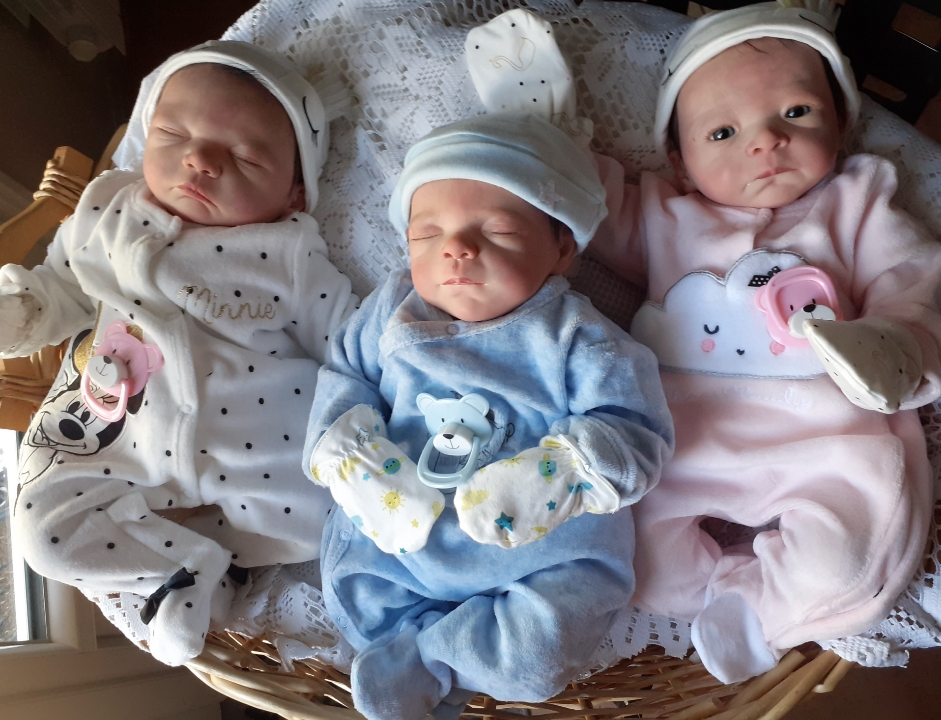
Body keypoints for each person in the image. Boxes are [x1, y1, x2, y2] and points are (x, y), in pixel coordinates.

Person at [578, 1, 941, 683]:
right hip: (681, 443)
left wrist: (895, 343)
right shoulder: (662, 215)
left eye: (796, 113)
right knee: (632, 553)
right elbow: (577, 199)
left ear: (841, 125)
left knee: (849, 555)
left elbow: (911, 277)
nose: (767, 140)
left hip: (824, 439)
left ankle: (760, 613)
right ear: (679, 162)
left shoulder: (856, 203)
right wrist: (541, 120)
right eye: (722, 131)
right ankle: (706, 598)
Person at [303, 112, 674, 720]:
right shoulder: (391, 311)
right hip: (402, 534)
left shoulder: (574, 335)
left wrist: (557, 474)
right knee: (356, 587)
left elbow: (637, 430)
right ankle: (407, 653)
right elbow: (343, 379)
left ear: (562, 248)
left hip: (543, 554)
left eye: (497, 230)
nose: (456, 249)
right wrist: (354, 457)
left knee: (538, 658)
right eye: (428, 234)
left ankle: (439, 660)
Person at [2, 41, 358, 666]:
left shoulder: (289, 255)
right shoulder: (109, 212)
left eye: (245, 156)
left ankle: (218, 571)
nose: (200, 159)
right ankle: (182, 570)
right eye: (172, 134)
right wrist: (24, 311)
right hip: (117, 440)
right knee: (42, 528)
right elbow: (63, 287)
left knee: (331, 517)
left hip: (260, 455)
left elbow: (349, 346)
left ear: (294, 195)